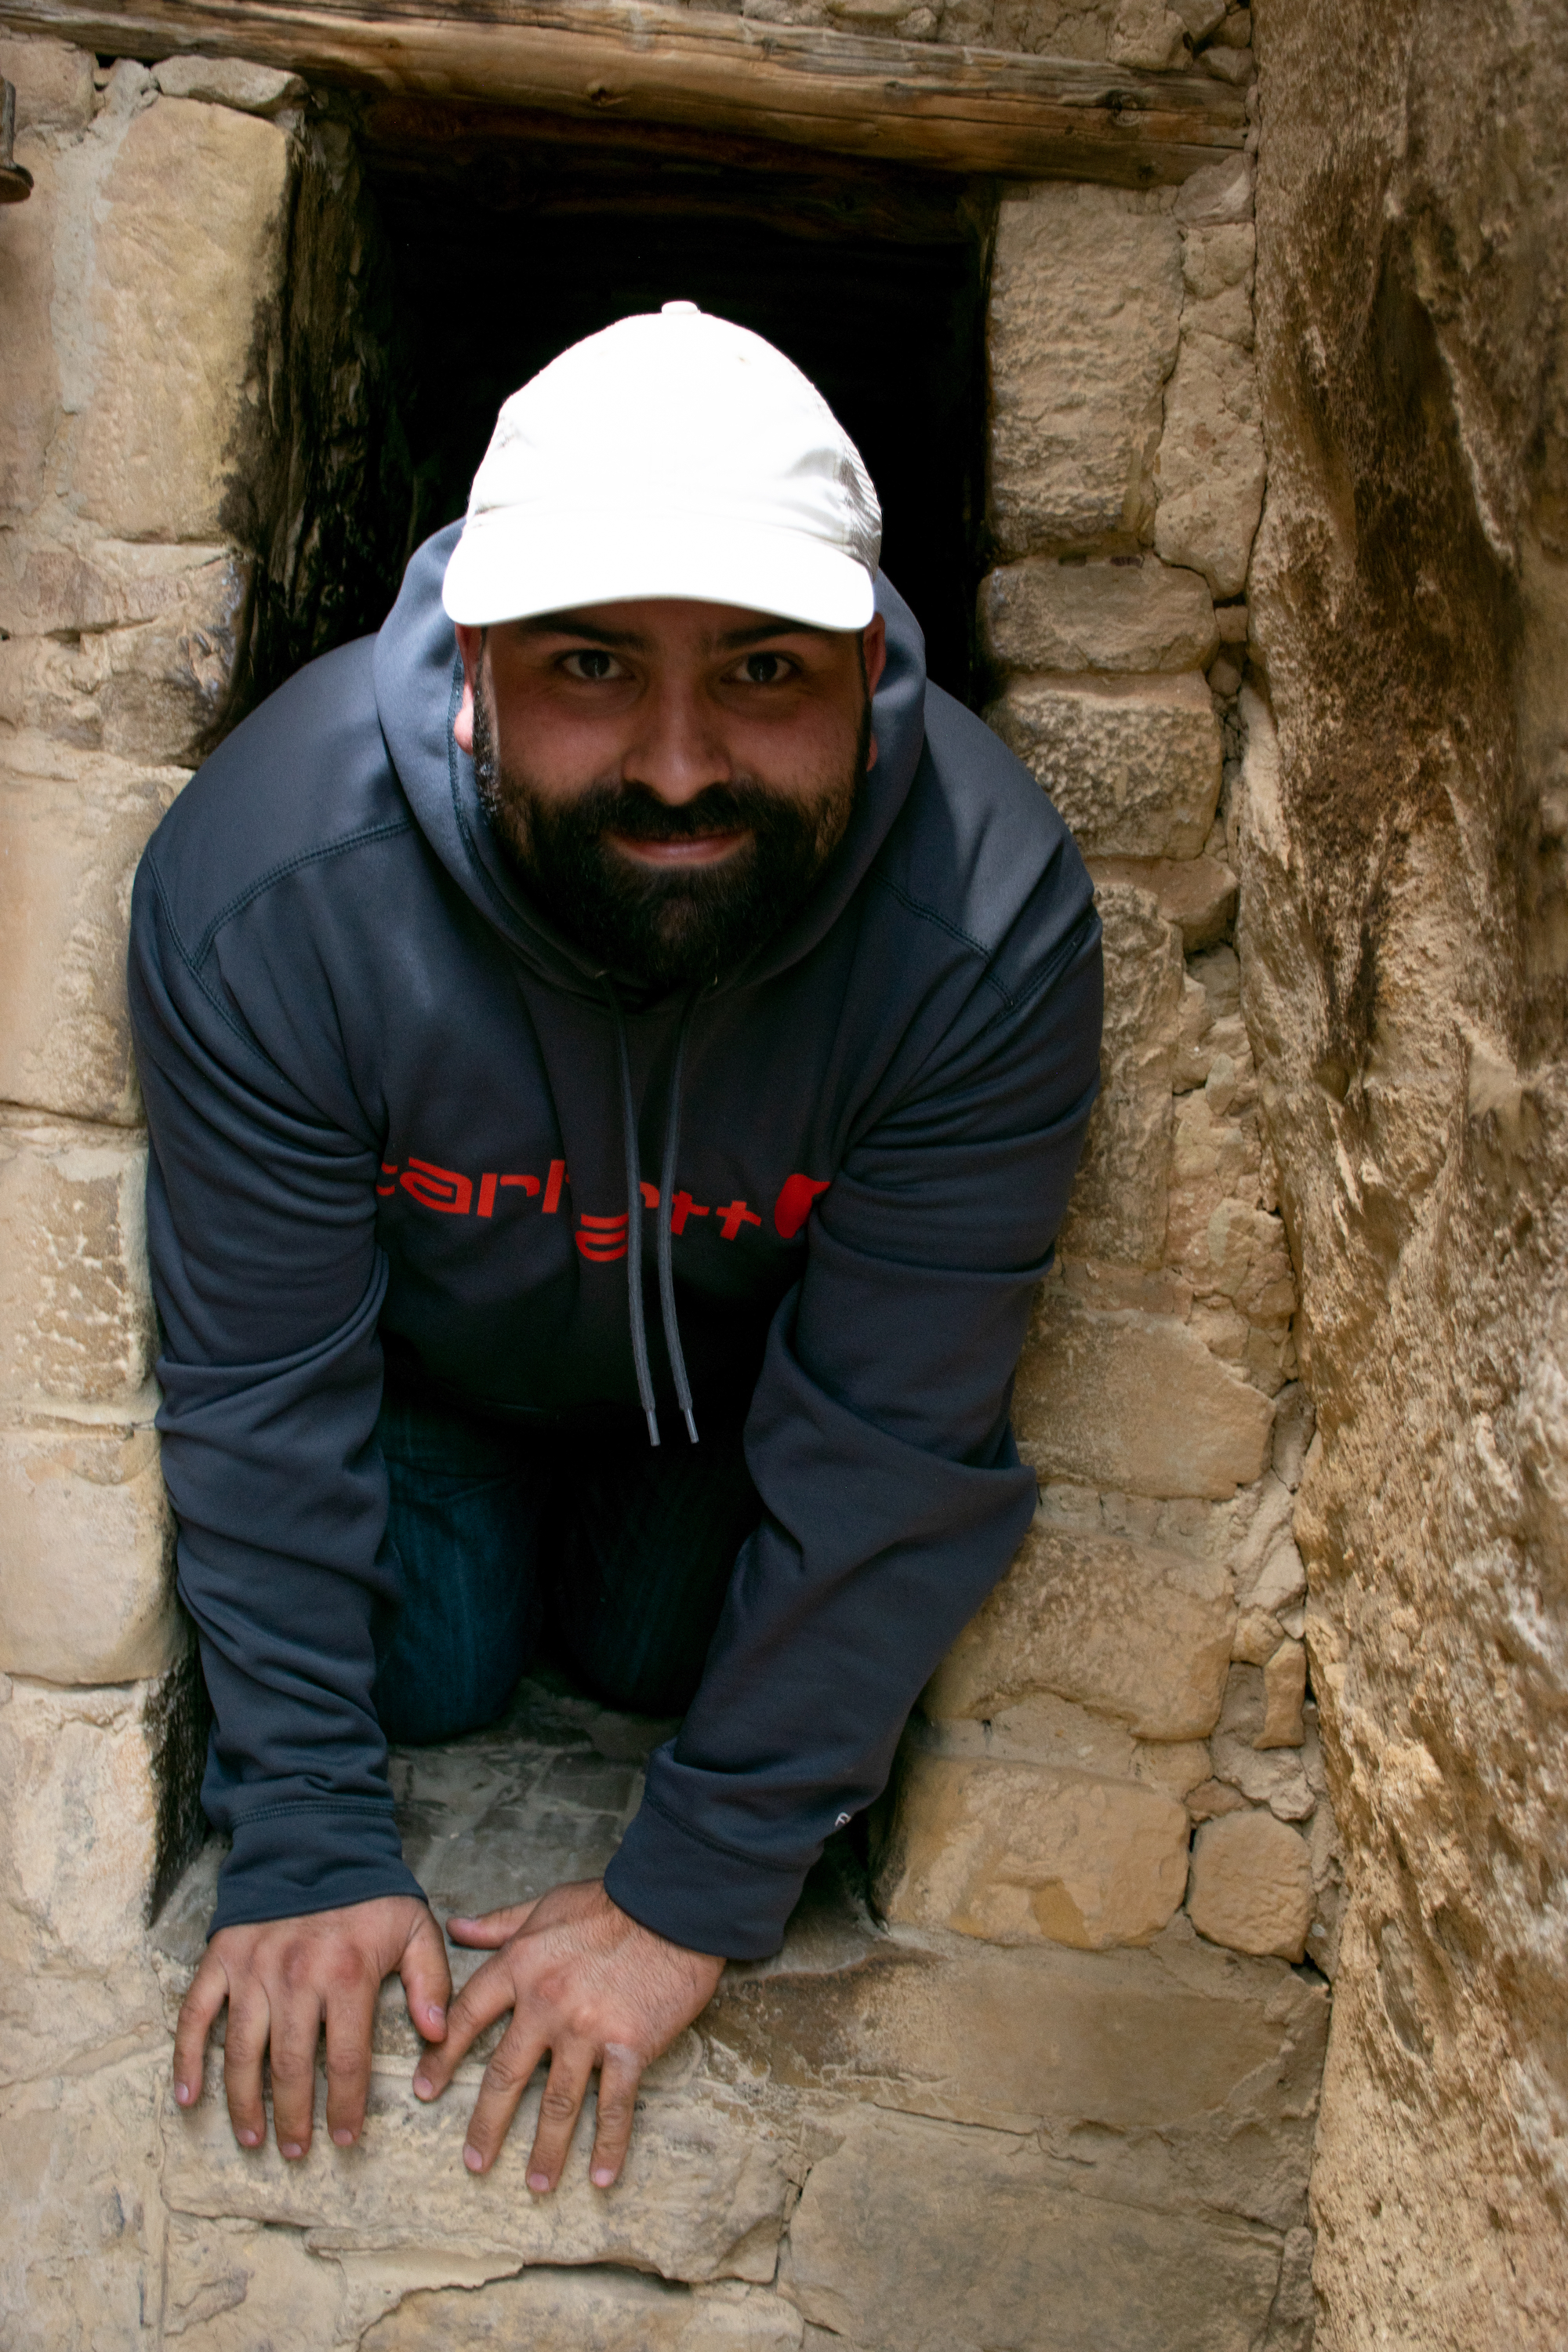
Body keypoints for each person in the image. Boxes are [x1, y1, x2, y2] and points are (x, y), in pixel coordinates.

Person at [129, 301, 1102, 2195]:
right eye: (592, 666)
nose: (677, 766)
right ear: (477, 660)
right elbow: (255, 1379)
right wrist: (312, 1841)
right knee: (439, 1672)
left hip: (728, 1414)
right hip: (430, 1386)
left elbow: (899, 1452)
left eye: (761, 672)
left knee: (670, 1654)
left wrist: (695, 1892)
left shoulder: (982, 923)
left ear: (870, 667)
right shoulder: (276, 881)